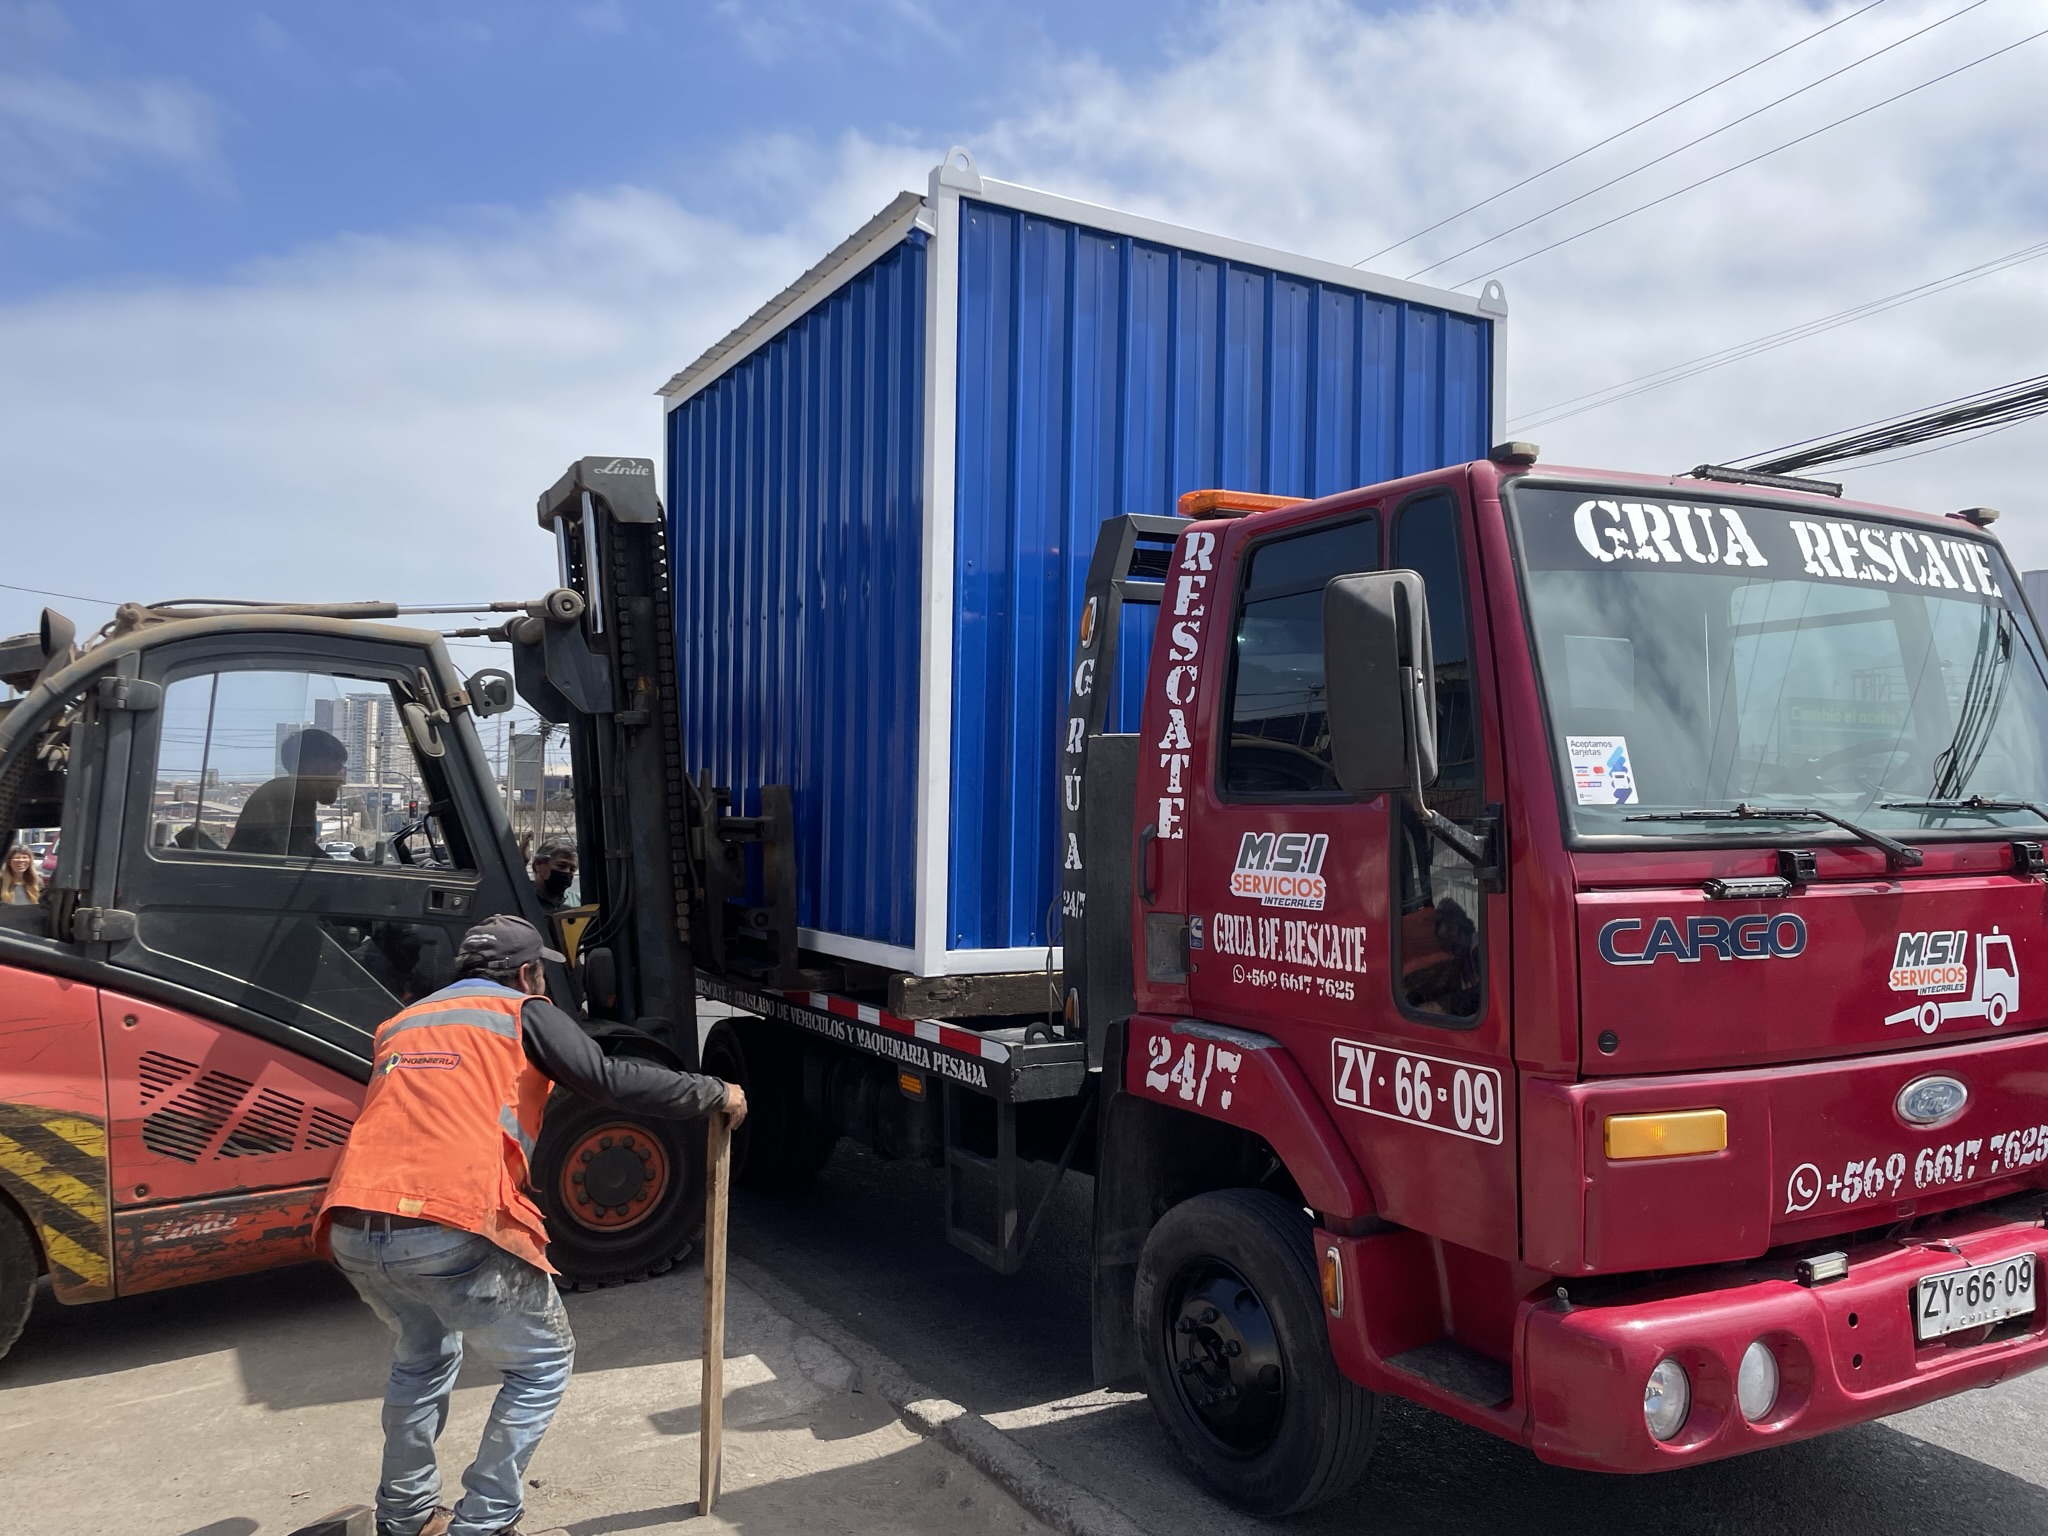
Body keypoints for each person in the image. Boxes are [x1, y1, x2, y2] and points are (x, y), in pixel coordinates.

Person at [318, 915, 744, 1536]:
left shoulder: (402, 1022)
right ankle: (485, 1522)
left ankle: (405, 1517)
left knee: (422, 1359)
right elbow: (606, 1078)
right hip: (449, 1218)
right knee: (541, 1365)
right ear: (526, 973)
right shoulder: (521, 1011)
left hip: (353, 1224)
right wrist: (712, 1092)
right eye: (539, 972)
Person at [229, 727, 349, 857]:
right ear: (319, 766)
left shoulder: (284, 790)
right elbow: (300, 854)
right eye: (338, 770)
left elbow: (301, 848)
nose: (341, 781)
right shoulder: (294, 794)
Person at [530, 841, 577, 911]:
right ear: (538, 864)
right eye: (561, 866)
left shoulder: (579, 902)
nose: (567, 872)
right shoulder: (523, 899)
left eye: (572, 869)